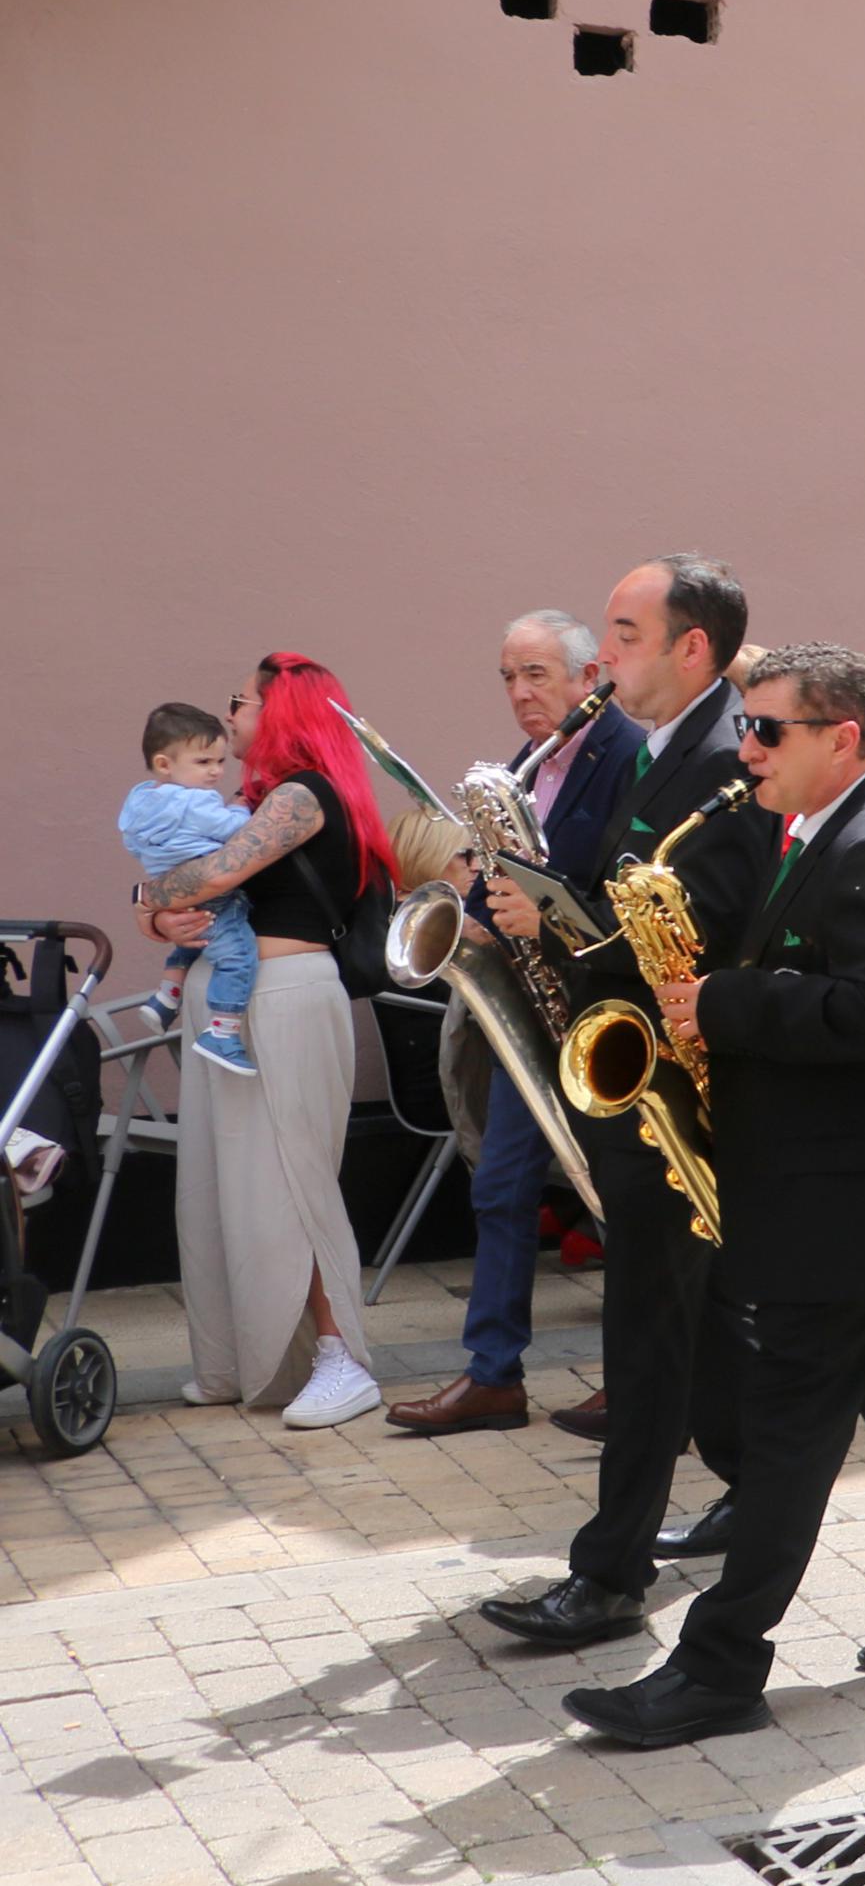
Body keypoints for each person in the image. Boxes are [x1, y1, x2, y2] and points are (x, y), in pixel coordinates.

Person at [562, 646, 865, 1745]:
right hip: (845, 1190)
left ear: (843, 739)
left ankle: (721, 1666)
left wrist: (723, 1001)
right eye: (750, 727)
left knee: (787, 1435)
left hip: (846, 1201)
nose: (747, 747)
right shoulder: (824, 829)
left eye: (769, 730)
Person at [473, 556, 774, 1647]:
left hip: (678, 1078)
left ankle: (609, 1575)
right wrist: (535, 899)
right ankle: (760, 1483)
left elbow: (699, 916)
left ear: (692, 648)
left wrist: (555, 921)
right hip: (640, 1063)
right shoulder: (655, 747)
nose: (607, 656)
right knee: (696, 1312)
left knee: (646, 1324)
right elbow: (612, 889)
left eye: (626, 632)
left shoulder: (727, 755)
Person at [392, 611, 634, 1440]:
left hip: (602, 1015)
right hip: (529, 1016)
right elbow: (506, 876)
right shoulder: (528, 772)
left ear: (584, 676)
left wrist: (544, 922)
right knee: (498, 1191)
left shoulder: (625, 753)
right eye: (507, 676)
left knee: (619, 1200)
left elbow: (619, 884)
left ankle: (641, 1375)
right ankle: (493, 1377)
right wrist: (477, 916)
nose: (520, 693)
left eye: (536, 674)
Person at [141, 655, 400, 1428]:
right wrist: (160, 913)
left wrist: (150, 901)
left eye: (240, 702)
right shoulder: (253, 799)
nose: (228, 718)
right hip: (240, 1002)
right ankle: (251, 1359)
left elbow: (214, 875)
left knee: (292, 1183)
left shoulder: (304, 795)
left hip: (286, 1001)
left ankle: (340, 1358)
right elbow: (187, 887)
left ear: (283, 711)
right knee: (226, 1186)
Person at [118, 704, 261, 1077]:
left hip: (171, 880)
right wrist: (242, 807)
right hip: (210, 887)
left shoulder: (141, 799)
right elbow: (232, 831)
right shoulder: (193, 801)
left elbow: (133, 843)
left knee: (192, 938)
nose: (215, 771)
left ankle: (167, 996)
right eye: (203, 762)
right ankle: (223, 1032)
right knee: (238, 955)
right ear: (165, 763)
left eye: (219, 761)